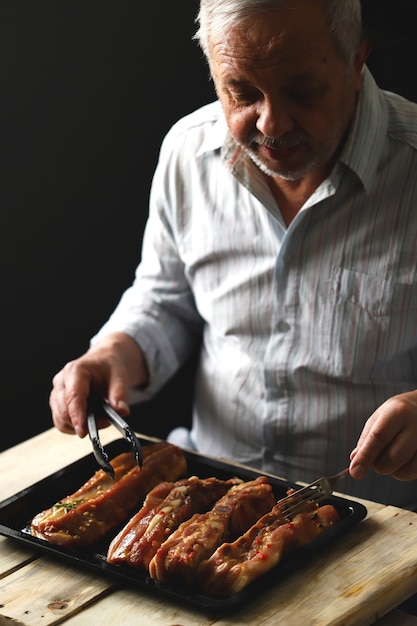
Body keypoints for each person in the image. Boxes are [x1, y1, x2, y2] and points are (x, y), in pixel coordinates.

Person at [49, 0, 417, 509]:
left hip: (376, 530)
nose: (271, 123)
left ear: (357, 61)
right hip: (204, 501)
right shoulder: (187, 152)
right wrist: (113, 352)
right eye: (241, 92)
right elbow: (165, 300)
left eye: (302, 90)